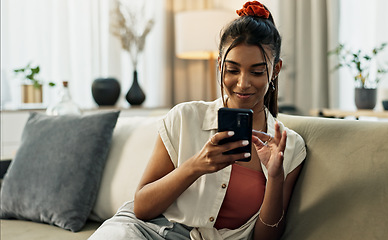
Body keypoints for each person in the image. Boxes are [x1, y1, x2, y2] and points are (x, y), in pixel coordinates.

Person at [89, 1, 306, 239]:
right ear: (219, 65)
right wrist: (196, 165)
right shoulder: (183, 117)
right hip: (147, 231)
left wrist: (275, 177)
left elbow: (267, 238)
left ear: (275, 70)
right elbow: (142, 208)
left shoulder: (290, 147)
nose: (243, 83)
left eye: (256, 72)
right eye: (232, 70)